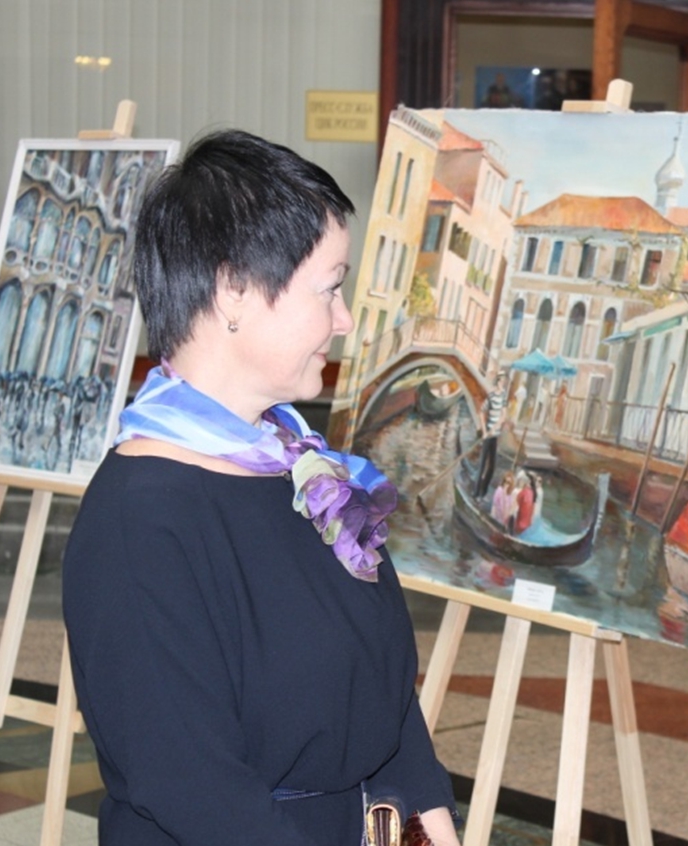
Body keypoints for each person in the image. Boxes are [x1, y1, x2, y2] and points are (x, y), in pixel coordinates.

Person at [61, 129, 460, 846]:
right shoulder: (139, 520)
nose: (344, 319)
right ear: (233, 290)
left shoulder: (300, 469)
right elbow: (189, 784)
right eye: (329, 288)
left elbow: (384, 698)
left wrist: (428, 821)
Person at [474, 371, 508, 498]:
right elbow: (481, 412)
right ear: (498, 381)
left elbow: (503, 416)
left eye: (504, 381)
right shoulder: (491, 396)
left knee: (492, 466)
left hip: (495, 435)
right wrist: (484, 431)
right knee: (482, 464)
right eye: (502, 380)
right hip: (487, 435)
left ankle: (483, 491)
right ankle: (476, 493)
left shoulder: (503, 396)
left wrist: (495, 428)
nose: (503, 383)